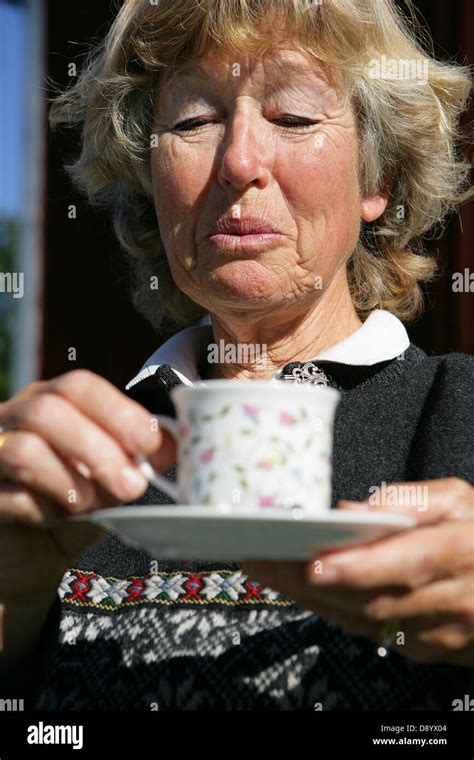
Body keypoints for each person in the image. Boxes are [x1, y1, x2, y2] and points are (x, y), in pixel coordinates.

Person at [0, 0, 472, 710]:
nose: (239, 161)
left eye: (294, 118)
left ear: (376, 179)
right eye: (193, 120)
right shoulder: (75, 459)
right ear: (148, 178)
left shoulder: (459, 414)